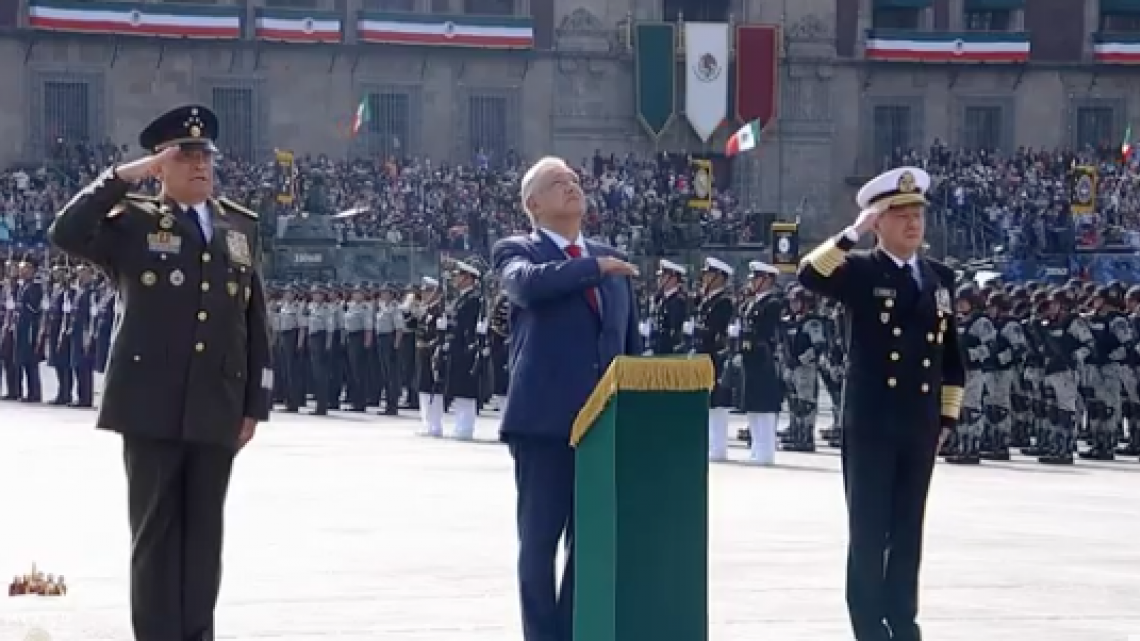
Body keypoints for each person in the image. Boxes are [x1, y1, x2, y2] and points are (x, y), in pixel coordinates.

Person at [46, 104, 271, 641]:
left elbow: (254, 320)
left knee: (204, 538)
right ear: (160, 165)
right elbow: (66, 232)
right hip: (150, 403)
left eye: (205, 156)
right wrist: (124, 176)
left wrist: (254, 404)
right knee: (155, 536)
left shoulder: (239, 227)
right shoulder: (133, 223)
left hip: (216, 405)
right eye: (185, 156)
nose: (200, 165)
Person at [797, 166, 965, 641]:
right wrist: (852, 234)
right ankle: (869, 628)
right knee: (869, 532)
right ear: (879, 221)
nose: (913, 223)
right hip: (872, 420)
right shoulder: (861, 270)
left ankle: (903, 623)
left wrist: (946, 418)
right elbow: (809, 274)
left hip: (920, 421)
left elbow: (951, 356)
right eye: (901, 214)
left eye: (918, 214)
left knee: (909, 530)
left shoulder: (939, 278)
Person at [492, 155, 642, 641]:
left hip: (603, 428)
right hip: (544, 426)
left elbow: (628, 345)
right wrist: (593, 268)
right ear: (533, 204)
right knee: (539, 544)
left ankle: (576, 631)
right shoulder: (519, 251)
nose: (572, 186)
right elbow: (527, 288)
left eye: (575, 180)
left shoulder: (611, 259)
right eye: (558, 182)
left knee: (591, 543)